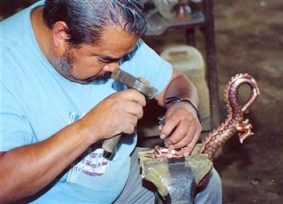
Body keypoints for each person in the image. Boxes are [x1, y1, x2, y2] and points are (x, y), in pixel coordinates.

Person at [0, 0, 222, 203]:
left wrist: (183, 104)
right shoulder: (7, 63)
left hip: (118, 182)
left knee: (200, 181)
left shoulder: (111, 28)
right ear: (61, 36)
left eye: (122, 57)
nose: (116, 69)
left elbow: (176, 81)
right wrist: (90, 128)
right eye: (105, 59)